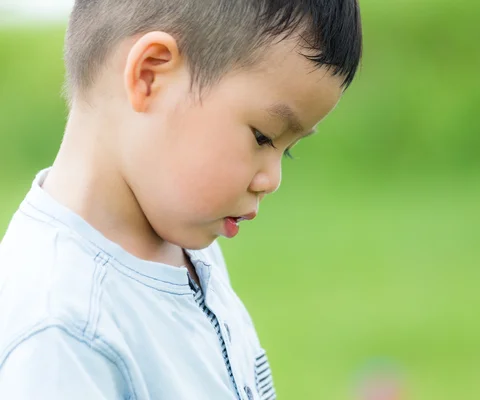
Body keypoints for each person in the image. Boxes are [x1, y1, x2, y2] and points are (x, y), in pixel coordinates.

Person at [0, 0, 362, 399]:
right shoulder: (63, 337)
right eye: (263, 136)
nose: (273, 180)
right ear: (150, 75)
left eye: (287, 150)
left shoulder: (186, 249)